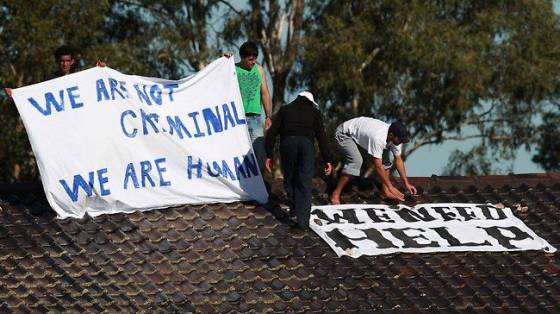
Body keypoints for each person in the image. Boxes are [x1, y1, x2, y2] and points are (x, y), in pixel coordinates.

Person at [265, 91, 333, 229]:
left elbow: (271, 132)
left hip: (288, 143)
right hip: (306, 145)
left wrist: (269, 155)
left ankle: (294, 207)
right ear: (311, 102)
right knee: (304, 182)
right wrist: (328, 159)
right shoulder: (314, 112)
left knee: (289, 179)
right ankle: (303, 222)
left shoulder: (285, 109)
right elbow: (322, 137)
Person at [329, 117, 417, 204]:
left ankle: (385, 192)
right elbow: (378, 166)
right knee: (356, 161)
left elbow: (398, 160)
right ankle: (335, 194)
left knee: (386, 162)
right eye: (400, 140)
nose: (401, 142)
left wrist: (406, 183)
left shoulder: (394, 136)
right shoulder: (378, 138)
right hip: (344, 133)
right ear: (391, 135)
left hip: (360, 135)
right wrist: (391, 186)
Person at [224, 42, 272, 172]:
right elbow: (216, 76)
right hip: (237, 118)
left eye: (255, 58)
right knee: (236, 151)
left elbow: (265, 93)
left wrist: (268, 116)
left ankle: (260, 181)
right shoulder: (232, 69)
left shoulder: (259, 70)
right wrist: (224, 60)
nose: (253, 62)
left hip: (255, 118)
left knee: (258, 151)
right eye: (250, 59)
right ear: (242, 58)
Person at [4, 45, 104, 97]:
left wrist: (101, 71)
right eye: (62, 61)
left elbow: (93, 87)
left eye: (67, 61)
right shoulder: (49, 79)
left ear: (72, 61)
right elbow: (34, 92)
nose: (64, 64)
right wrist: (15, 94)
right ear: (57, 61)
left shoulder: (78, 77)